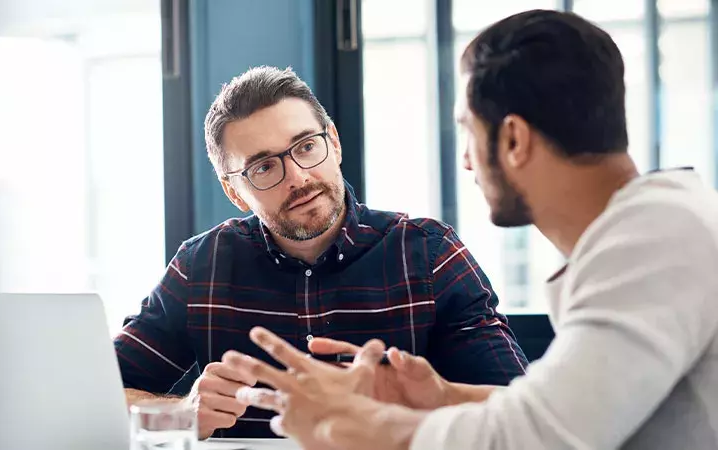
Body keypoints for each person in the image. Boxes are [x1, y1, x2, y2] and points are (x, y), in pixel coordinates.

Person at [223, 9, 718, 450]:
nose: (464, 160)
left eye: (467, 130)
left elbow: (541, 439)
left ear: (513, 140)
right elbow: (573, 411)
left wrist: (363, 426)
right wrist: (440, 397)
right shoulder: (654, 230)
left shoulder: (654, 240)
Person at [112, 66, 528, 439]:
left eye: (307, 146)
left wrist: (424, 404)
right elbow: (100, 394)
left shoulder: (430, 254)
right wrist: (182, 412)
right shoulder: (200, 266)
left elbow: (519, 413)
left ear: (334, 142)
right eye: (263, 167)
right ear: (233, 192)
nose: (297, 176)